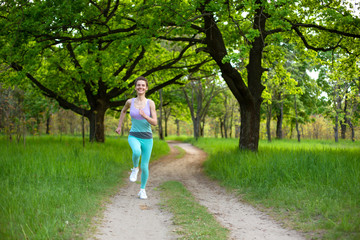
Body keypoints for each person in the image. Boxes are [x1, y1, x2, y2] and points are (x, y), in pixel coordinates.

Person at [116, 76, 157, 200]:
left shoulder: (150, 103)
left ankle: (142, 190)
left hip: (147, 138)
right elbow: (123, 111)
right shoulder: (130, 102)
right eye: (138, 85)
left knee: (145, 166)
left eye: (143, 85)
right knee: (136, 151)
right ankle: (134, 168)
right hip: (133, 135)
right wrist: (119, 126)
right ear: (135, 87)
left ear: (146, 88)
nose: (141, 87)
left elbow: (154, 122)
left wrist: (145, 116)